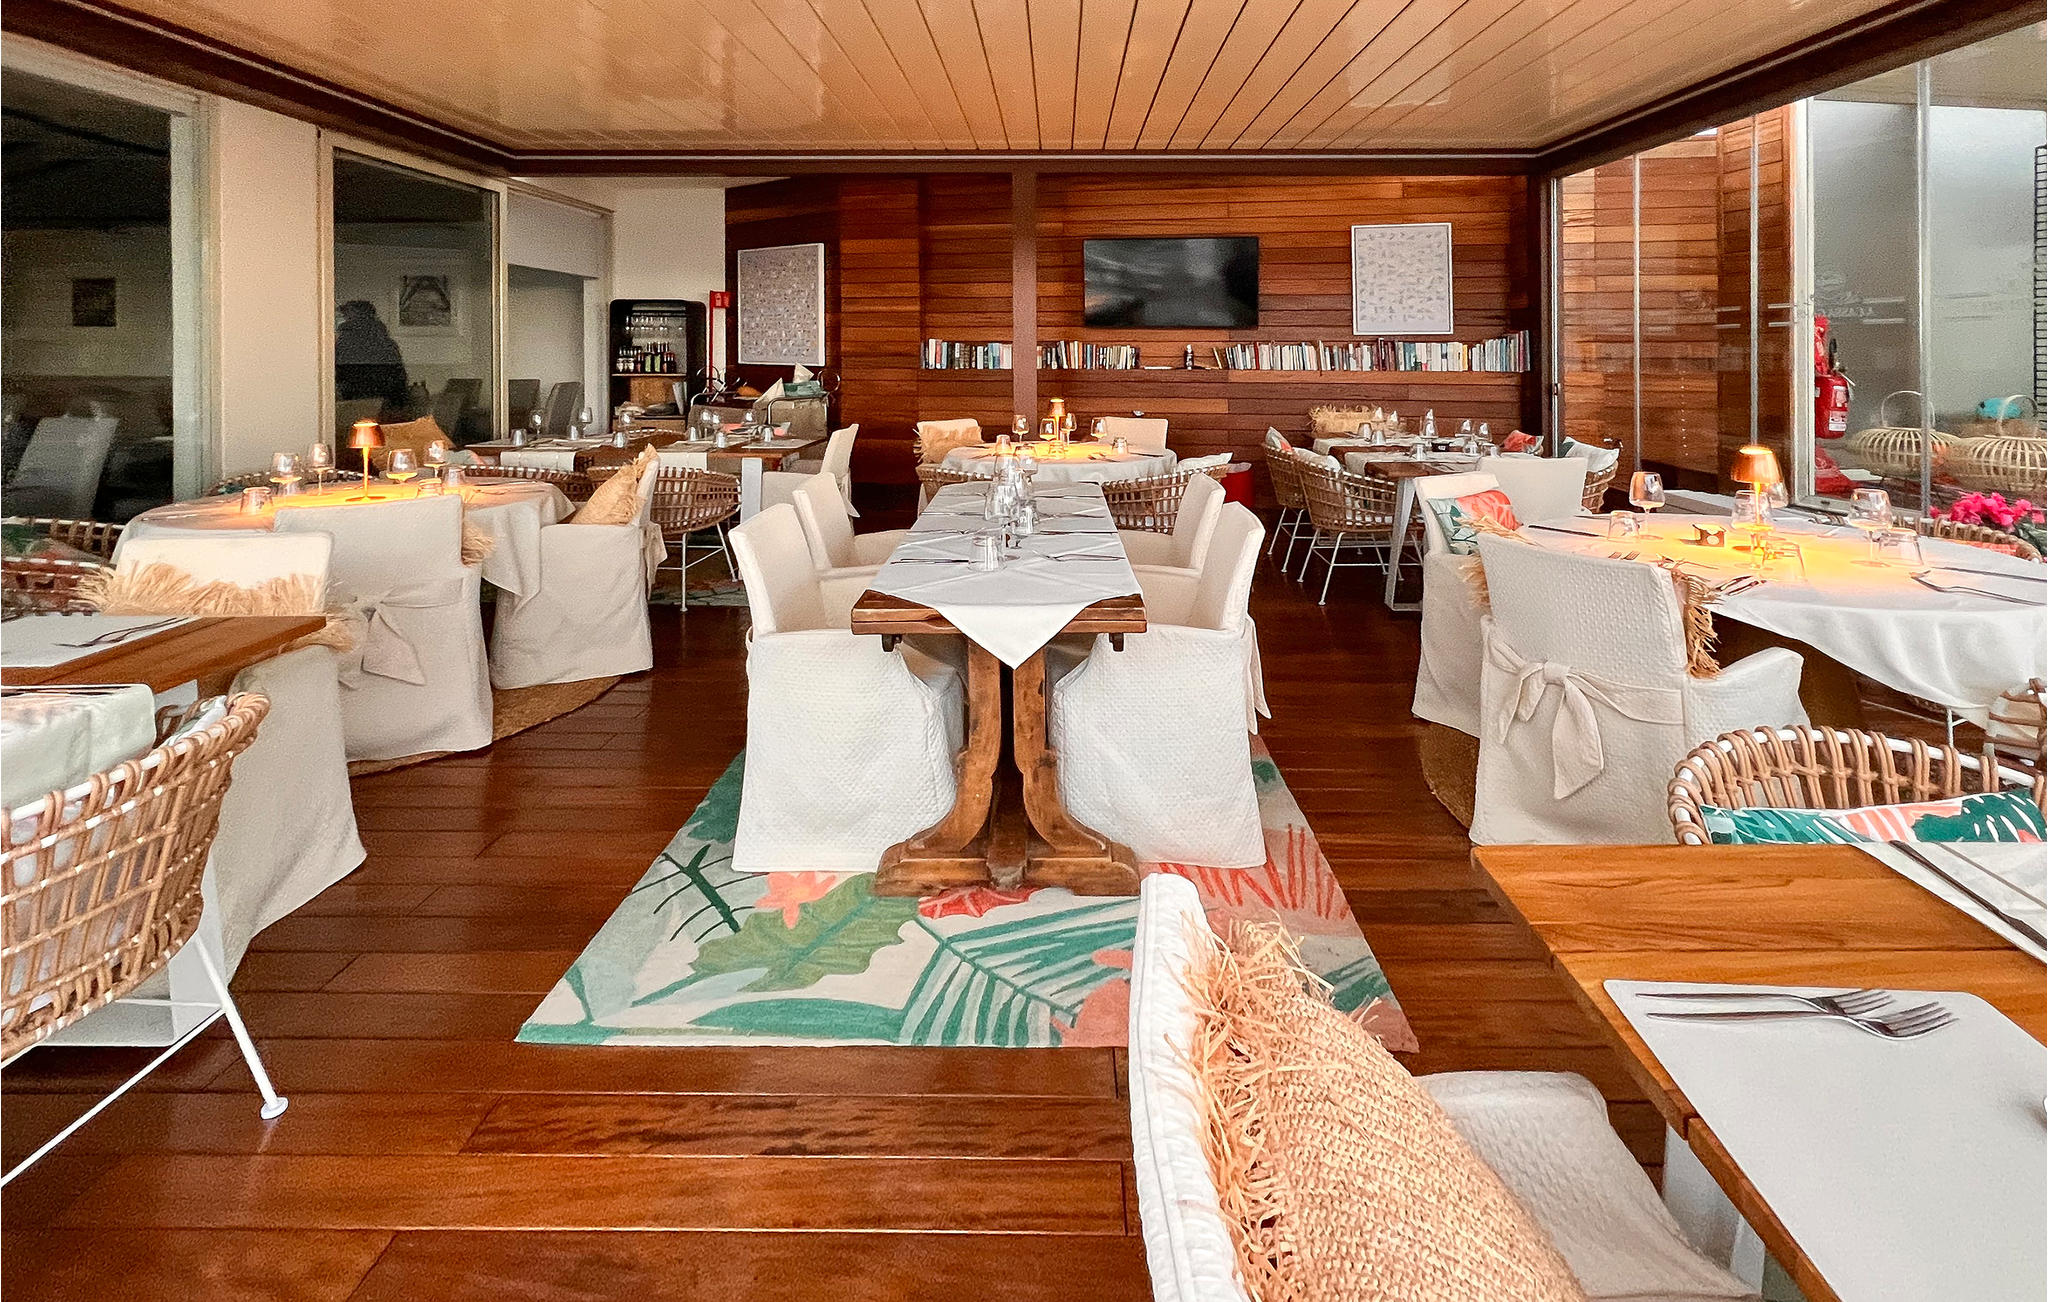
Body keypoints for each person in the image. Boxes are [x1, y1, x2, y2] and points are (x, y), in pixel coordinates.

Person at [335, 300, 409, 413]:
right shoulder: (385, 341)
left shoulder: (346, 340)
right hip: (388, 404)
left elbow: (342, 375)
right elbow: (399, 378)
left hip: (358, 404)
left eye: (346, 315)